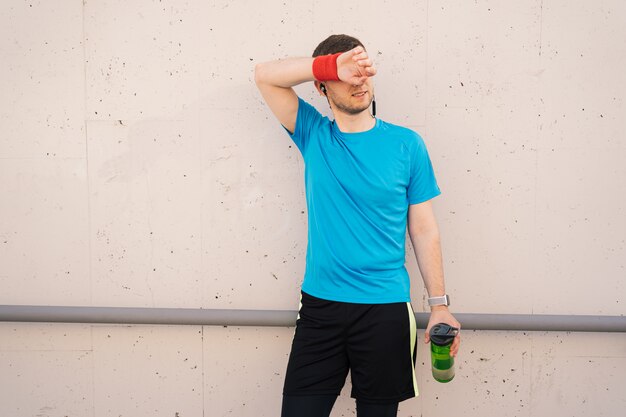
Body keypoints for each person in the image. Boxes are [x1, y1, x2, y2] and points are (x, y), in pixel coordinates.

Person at [254, 34, 461, 417]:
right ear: (322, 86)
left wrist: (440, 306)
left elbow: (424, 229)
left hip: (384, 310)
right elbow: (265, 76)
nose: (359, 81)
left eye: (364, 71)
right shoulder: (314, 134)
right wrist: (332, 64)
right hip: (321, 308)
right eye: (347, 75)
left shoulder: (406, 144)